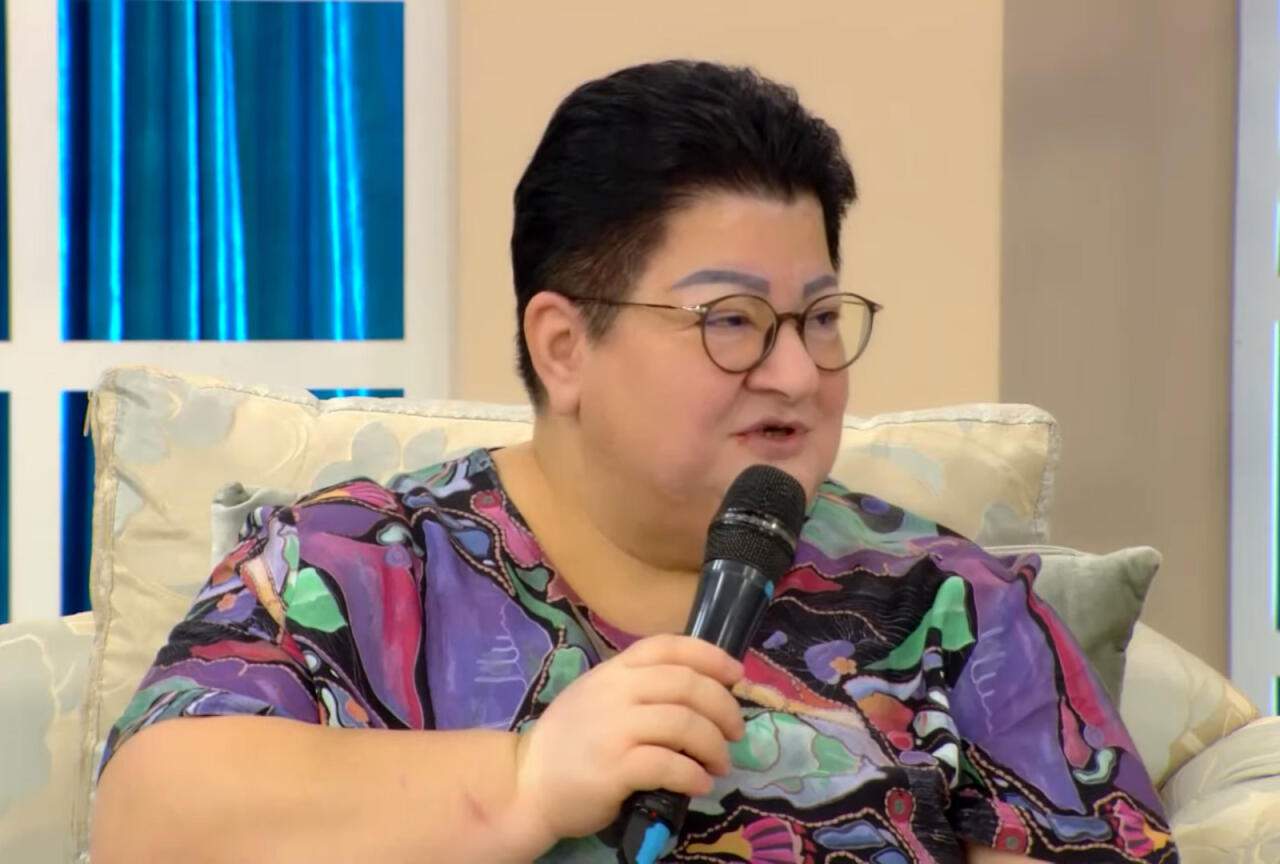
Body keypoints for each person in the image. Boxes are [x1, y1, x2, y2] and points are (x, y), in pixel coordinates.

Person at [91, 60, 1177, 863]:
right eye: (732, 320)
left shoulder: (954, 606)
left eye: (819, 318)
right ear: (564, 346)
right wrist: (522, 780)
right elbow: (149, 817)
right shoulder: (357, 565)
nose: (797, 374)